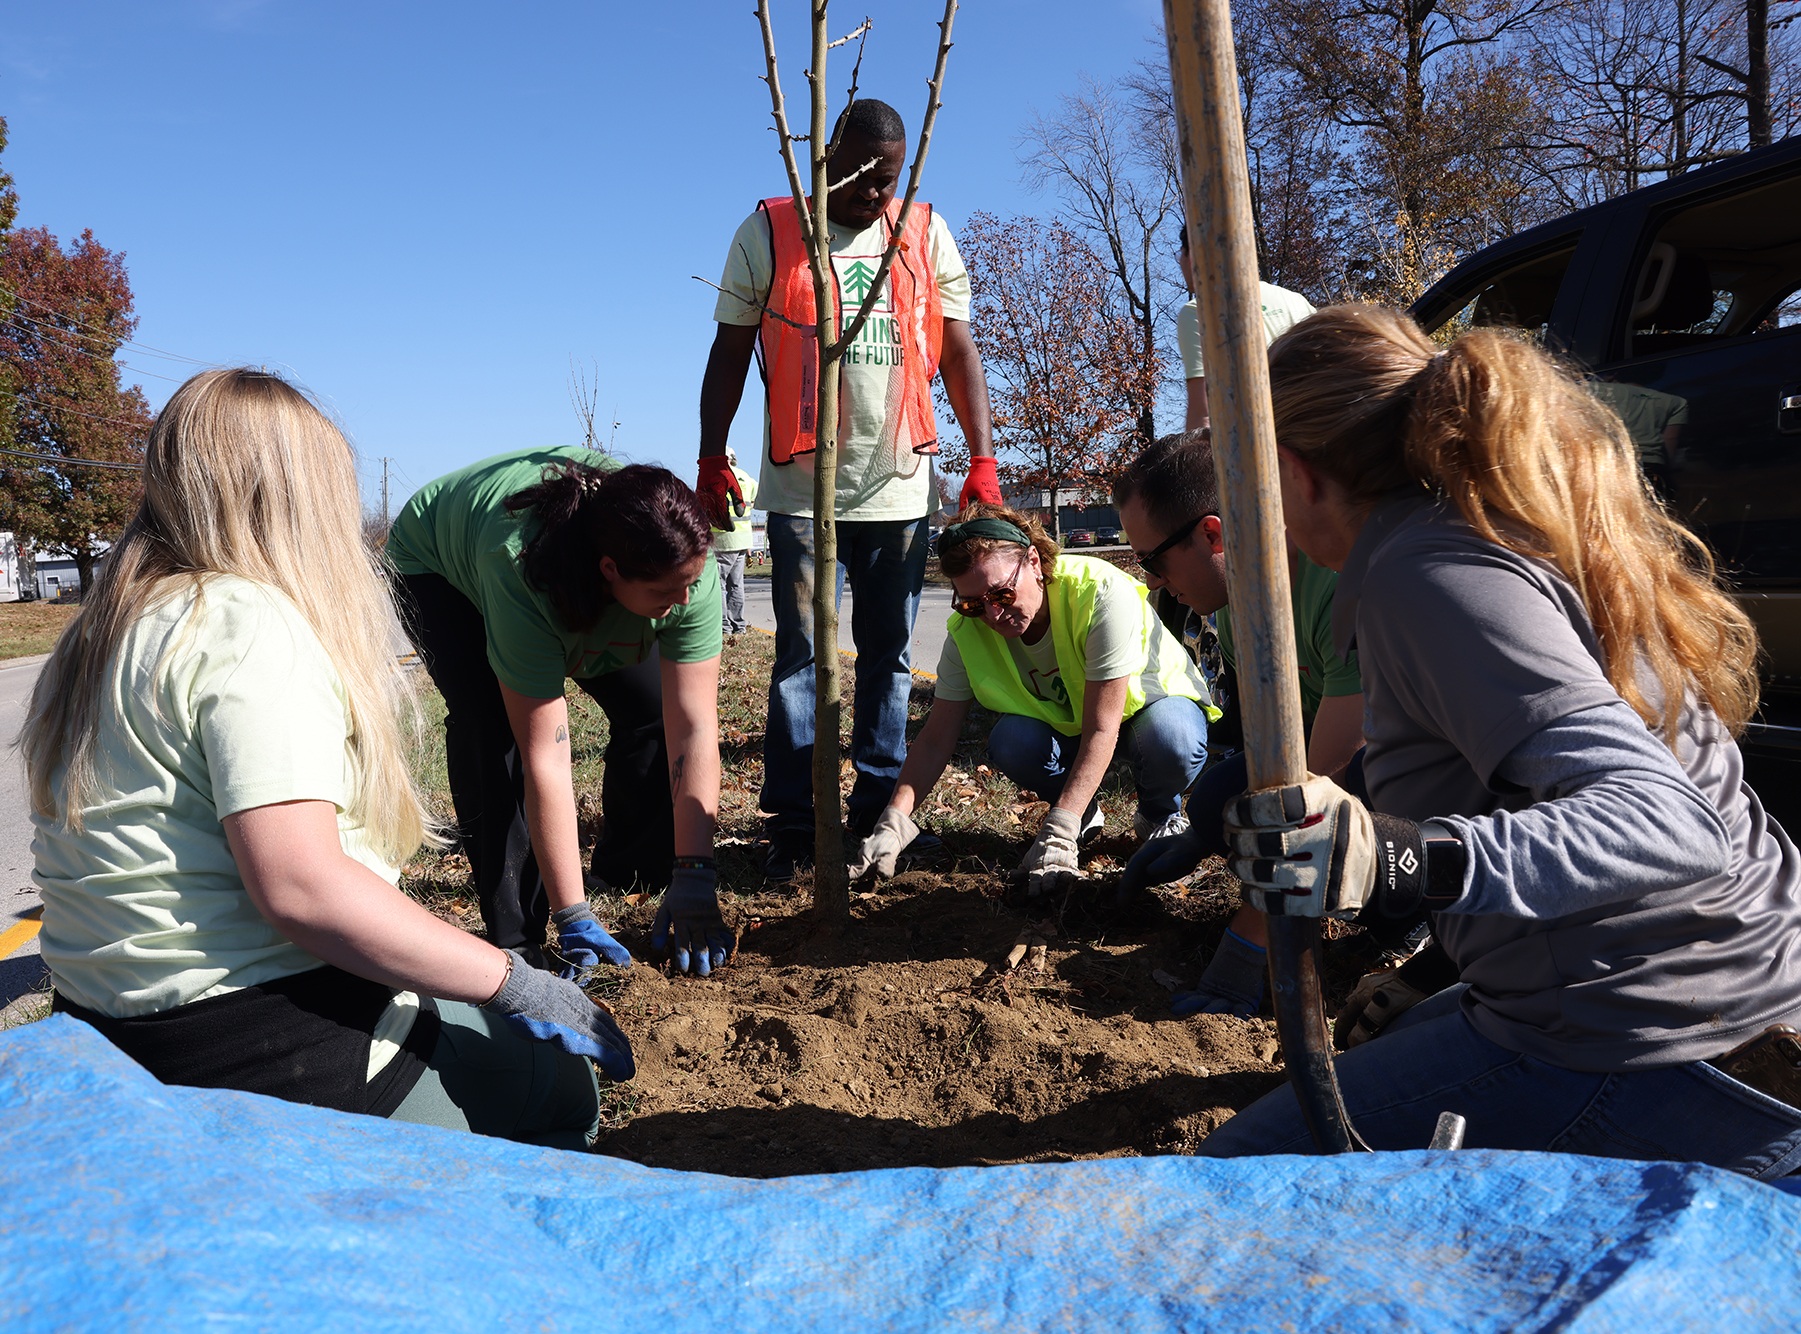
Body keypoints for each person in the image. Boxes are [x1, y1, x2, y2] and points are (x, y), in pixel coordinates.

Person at [1194, 306, 1801, 1177]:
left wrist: (1393, 858)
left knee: (1238, 1178)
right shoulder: (1517, 524)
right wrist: (1436, 960)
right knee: (1400, 1036)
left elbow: (1664, 823)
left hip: (1660, 1034)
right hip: (1734, 982)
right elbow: (1524, 789)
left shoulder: (1426, 574)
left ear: (1288, 475)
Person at [25, 369, 630, 1149]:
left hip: (104, 1028)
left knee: (455, 1006)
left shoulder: (103, 627)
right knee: (556, 1084)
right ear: (301, 495)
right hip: (249, 1048)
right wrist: (518, 983)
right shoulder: (243, 621)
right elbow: (303, 887)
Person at [697, 97, 1001, 883]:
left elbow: (959, 351)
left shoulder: (924, 233)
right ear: (829, 155)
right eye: (863, 173)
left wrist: (981, 460)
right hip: (802, 492)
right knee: (799, 658)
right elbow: (729, 351)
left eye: (889, 178)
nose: (875, 193)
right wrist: (710, 456)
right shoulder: (768, 231)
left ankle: (878, 810)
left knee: (889, 656)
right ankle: (798, 823)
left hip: (899, 490)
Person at [386, 447, 732, 979]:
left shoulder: (685, 566)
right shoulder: (521, 570)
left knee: (648, 711)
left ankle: (628, 869)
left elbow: (694, 727)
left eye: (691, 583)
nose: (686, 600)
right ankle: (519, 939)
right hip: (438, 566)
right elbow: (545, 758)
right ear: (611, 571)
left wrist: (694, 872)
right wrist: (573, 914)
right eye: (667, 592)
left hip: (586, 575)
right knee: (492, 731)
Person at [1112, 431, 1366, 1017]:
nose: (1152, 581)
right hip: (1340, 764)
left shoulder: (1336, 589)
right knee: (1214, 803)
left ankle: (1408, 913)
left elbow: (1319, 792)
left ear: (1212, 533)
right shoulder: (1234, 608)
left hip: (1436, 787)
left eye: (1153, 560)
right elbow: (1279, 748)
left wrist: (1244, 952)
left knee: (1368, 790)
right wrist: (1199, 837)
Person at [848, 504, 1214, 894]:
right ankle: (1080, 811)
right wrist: (893, 823)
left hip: (1142, 716)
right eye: (973, 603)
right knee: (1011, 740)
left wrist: (1058, 833)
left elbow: (1102, 728)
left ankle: (1157, 814)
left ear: (1034, 562)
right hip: (1072, 728)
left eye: (1001, 593)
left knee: (1173, 738)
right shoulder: (966, 632)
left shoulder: (1100, 594)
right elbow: (935, 740)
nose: (992, 614)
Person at [1176, 226, 1315, 432]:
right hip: (1321, 442)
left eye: (1181, 253)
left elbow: (1204, 416)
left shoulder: (1199, 311)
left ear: (1192, 257)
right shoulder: (1294, 300)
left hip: (1261, 452)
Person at [712, 446, 759, 636]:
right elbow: (757, 498)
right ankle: (738, 625)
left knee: (719, 584)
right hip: (743, 538)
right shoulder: (746, 477)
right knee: (736, 584)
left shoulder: (717, 478)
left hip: (723, 539)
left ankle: (724, 627)